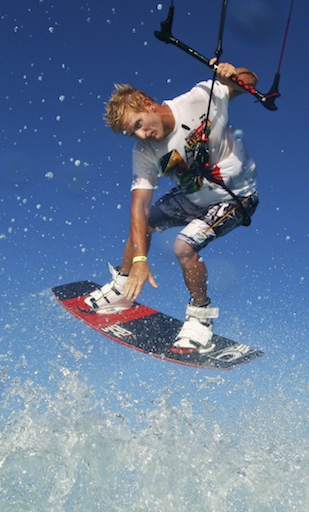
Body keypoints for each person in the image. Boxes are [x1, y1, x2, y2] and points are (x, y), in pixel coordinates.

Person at [84, 59, 260, 354]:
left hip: (236, 197)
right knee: (143, 224)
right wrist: (139, 261)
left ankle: (200, 317)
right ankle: (123, 288)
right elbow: (138, 207)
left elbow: (252, 81)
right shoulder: (144, 152)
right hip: (194, 197)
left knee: (183, 246)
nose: (140, 136)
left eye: (138, 124)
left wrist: (232, 75)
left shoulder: (200, 97)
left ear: (148, 104)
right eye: (132, 133)